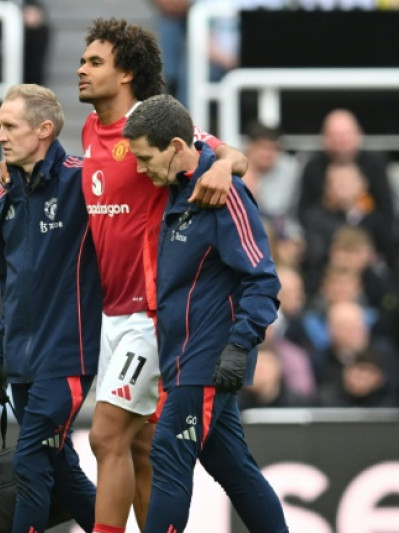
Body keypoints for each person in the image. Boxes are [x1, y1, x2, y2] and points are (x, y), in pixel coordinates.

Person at [76, 19, 249, 533]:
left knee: (106, 437)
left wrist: (222, 168)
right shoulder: (89, 131)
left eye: (95, 62)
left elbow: (226, 153)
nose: (80, 69)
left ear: (126, 72)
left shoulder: (149, 125)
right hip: (111, 311)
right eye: (83, 59)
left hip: (152, 313)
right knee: (141, 446)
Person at [122, 94, 287, 533]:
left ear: (176, 146)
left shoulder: (223, 194)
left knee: (168, 458)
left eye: (145, 158)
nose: (141, 169)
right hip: (182, 358)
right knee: (235, 471)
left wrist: (239, 345)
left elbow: (264, 280)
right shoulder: (180, 190)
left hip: (207, 360)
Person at [0, 84, 98, 533]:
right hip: (21, 360)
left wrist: (221, 159)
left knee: (31, 465)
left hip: (68, 356)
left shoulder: (82, 182)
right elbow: (7, 286)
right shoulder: (3, 201)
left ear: (44, 130)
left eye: (9, 126)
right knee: (63, 470)